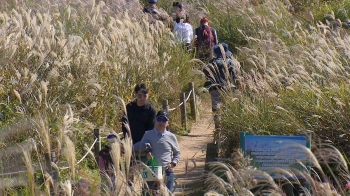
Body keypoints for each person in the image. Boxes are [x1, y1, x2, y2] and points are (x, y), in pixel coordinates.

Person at [134, 110, 181, 193]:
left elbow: (177, 153)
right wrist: (146, 153)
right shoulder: (147, 134)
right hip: (150, 169)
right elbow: (140, 148)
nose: (161, 122)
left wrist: (173, 163)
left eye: (164, 120)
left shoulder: (171, 136)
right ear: (155, 120)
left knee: (167, 194)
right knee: (147, 193)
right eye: (159, 119)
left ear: (168, 123)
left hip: (166, 170)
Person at [203, 43, 237, 133]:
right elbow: (234, 76)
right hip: (226, 88)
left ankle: (218, 129)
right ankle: (226, 129)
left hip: (214, 88)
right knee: (227, 108)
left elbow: (206, 74)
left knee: (216, 109)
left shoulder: (211, 62)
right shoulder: (229, 61)